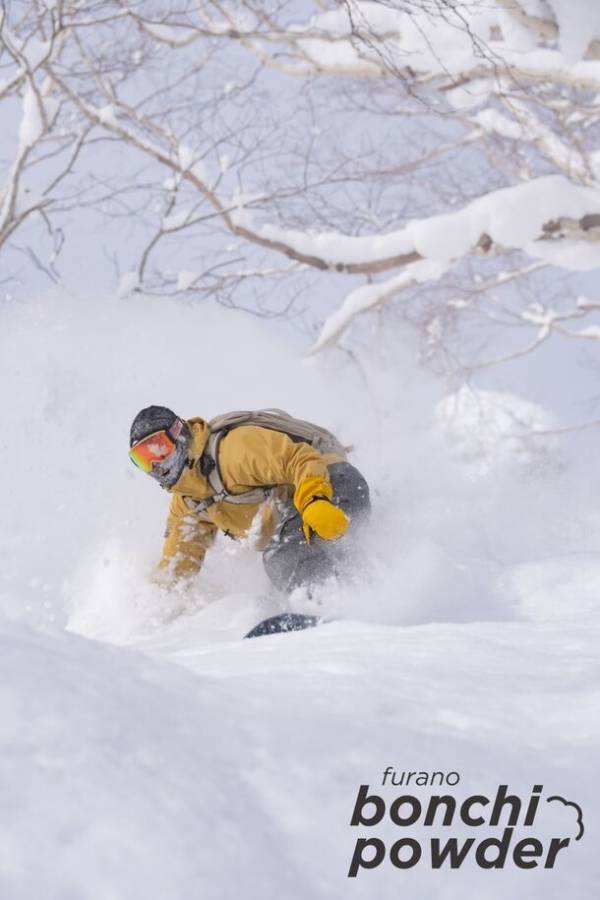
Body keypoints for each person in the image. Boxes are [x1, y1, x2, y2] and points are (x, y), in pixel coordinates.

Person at [129, 406, 370, 593]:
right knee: (275, 577)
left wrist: (315, 500)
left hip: (332, 486)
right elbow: (176, 571)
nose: (155, 464)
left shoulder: (233, 450)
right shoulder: (189, 501)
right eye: (142, 458)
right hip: (301, 517)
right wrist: (150, 605)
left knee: (281, 555)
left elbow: (300, 458)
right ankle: (359, 594)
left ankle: (333, 606)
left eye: (157, 448)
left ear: (178, 434)